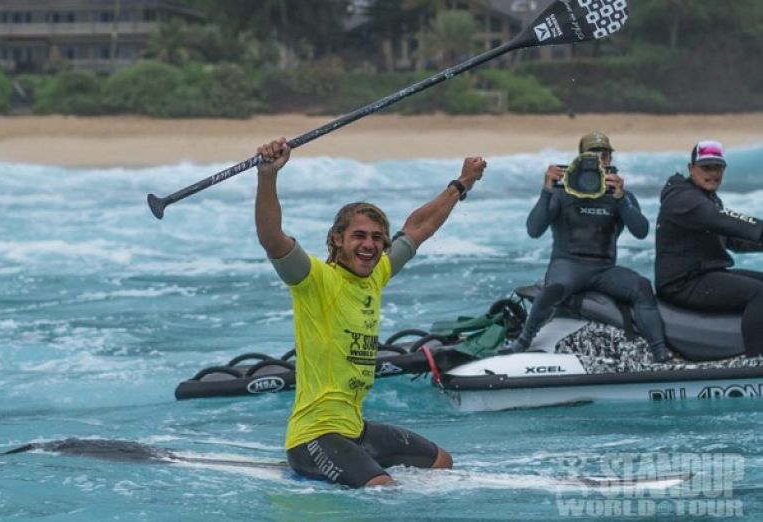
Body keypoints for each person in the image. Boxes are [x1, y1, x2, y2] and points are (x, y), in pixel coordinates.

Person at [255, 137, 486, 488]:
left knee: (443, 462)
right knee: (382, 489)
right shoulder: (314, 280)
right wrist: (268, 176)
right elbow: (272, 238)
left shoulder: (376, 274)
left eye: (378, 238)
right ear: (337, 239)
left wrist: (461, 183)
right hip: (313, 435)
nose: (370, 244)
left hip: (356, 430)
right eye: (359, 236)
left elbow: (418, 229)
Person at [506, 132, 671, 362]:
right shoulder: (562, 193)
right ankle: (522, 341)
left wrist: (622, 199)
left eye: (604, 155)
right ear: (580, 159)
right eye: (593, 155)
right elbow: (534, 230)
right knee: (553, 288)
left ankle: (660, 352)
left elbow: (641, 232)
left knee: (642, 286)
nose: (599, 160)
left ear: (610, 159)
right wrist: (546, 191)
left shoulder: (620, 194)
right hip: (568, 265)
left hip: (604, 270)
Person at [655, 140, 763, 357]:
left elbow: (732, 240)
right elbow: (720, 220)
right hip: (682, 283)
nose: (713, 173)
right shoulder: (683, 199)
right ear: (691, 168)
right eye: (706, 167)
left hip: (705, 275)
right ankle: (756, 360)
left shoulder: (708, 198)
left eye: (718, 167)